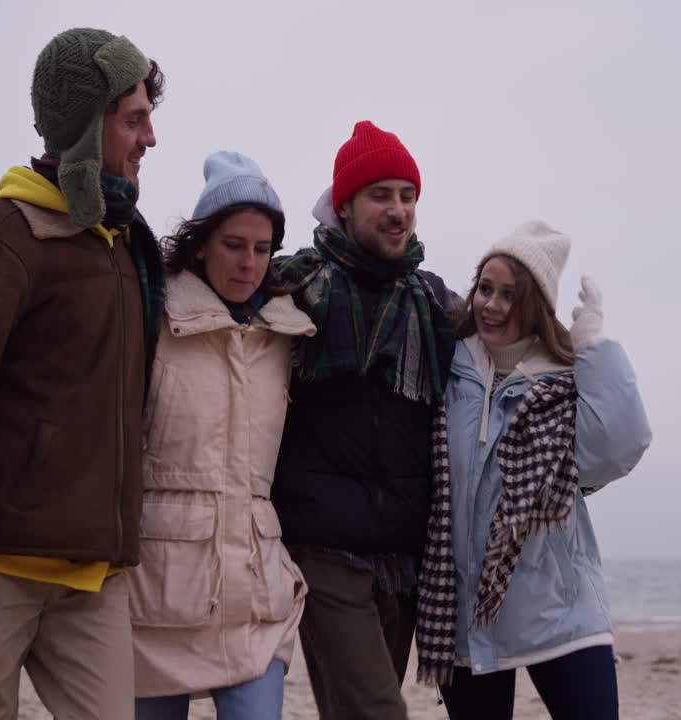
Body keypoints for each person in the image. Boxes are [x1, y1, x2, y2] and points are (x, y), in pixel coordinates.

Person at [0, 27, 165, 719]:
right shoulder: (2, 241)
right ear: (86, 125)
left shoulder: (123, 245)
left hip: (93, 578)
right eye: (134, 119)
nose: (149, 139)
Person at [414, 221, 652, 719]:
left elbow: (616, 447)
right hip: (465, 614)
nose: (492, 306)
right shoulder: (448, 369)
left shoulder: (563, 383)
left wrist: (593, 347)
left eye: (511, 296)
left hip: (560, 609)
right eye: (485, 289)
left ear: (535, 307)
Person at [271, 121, 461, 720]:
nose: (399, 210)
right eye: (381, 195)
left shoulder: (432, 304)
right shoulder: (297, 288)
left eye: (408, 196)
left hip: (403, 559)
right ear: (345, 205)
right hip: (323, 550)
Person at [128, 152, 314, 720]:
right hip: (156, 597)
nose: (249, 263)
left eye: (262, 249)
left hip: (256, 597)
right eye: (234, 245)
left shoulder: (288, 335)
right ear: (201, 243)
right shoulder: (151, 317)